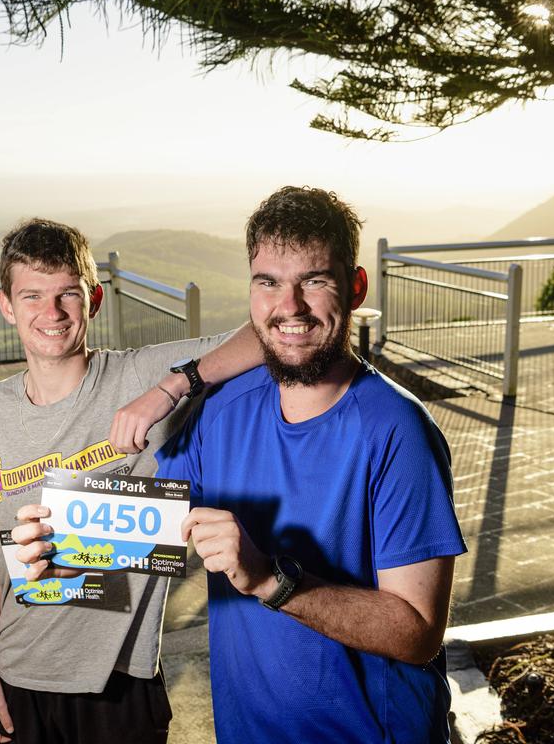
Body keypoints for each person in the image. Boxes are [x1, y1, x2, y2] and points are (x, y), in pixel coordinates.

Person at [158, 187, 468, 743]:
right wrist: (56, 552)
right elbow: (147, 526)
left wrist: (269, 580)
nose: (290, 306)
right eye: (269, 282)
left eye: (315, 280)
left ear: (355, 287)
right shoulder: (221, 412)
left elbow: (419, 631)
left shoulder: (398, 431)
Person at [0, 218, 261, 743]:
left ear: (93, 300)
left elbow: (267, 329)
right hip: (21, 673)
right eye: (32, 296)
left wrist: (173, 386)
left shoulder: (140, 377)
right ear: (6, 306)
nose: (51, 313)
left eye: (68, 294)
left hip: (121, 683)